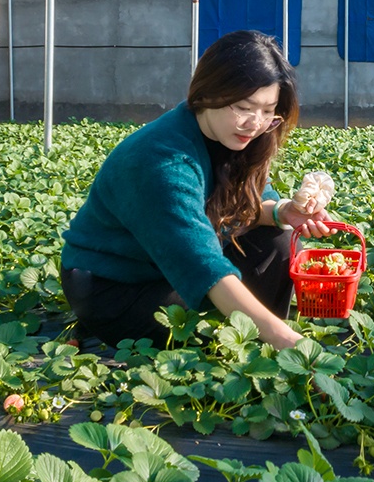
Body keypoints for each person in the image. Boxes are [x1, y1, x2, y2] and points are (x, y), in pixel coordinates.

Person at [60, 31, 332, 350]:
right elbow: (204, 266)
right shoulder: (161, 162)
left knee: (276, 242)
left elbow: (248, 201)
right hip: (117, 286)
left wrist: (283, 211)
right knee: (202, 331)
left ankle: (255, 344)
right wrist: (294, 345)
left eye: (267, 110)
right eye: (244, 107)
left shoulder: (229, 133)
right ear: (208, 92)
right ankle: (262, 340)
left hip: (168, 266)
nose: (255, 124)